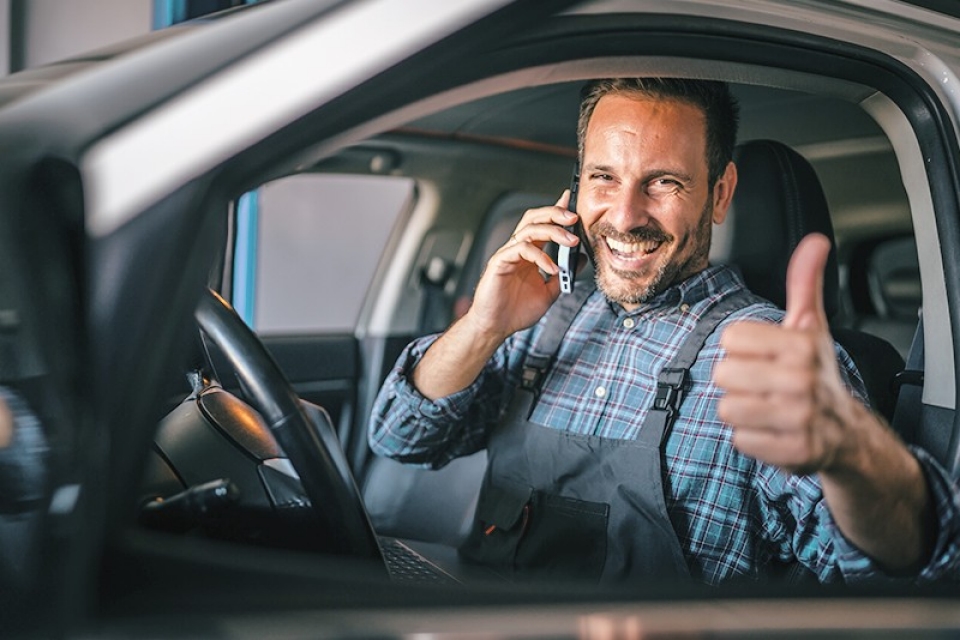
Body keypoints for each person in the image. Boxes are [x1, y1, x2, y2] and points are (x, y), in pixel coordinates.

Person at [368, 78, 960, 585]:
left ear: (719, 193)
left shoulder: (775, 358)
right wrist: (483, 326)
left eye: (664, 183)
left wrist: (851, 452)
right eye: (604, 178)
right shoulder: (540, 321)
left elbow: (899, 568)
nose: (625, 216)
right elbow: (400, 440)